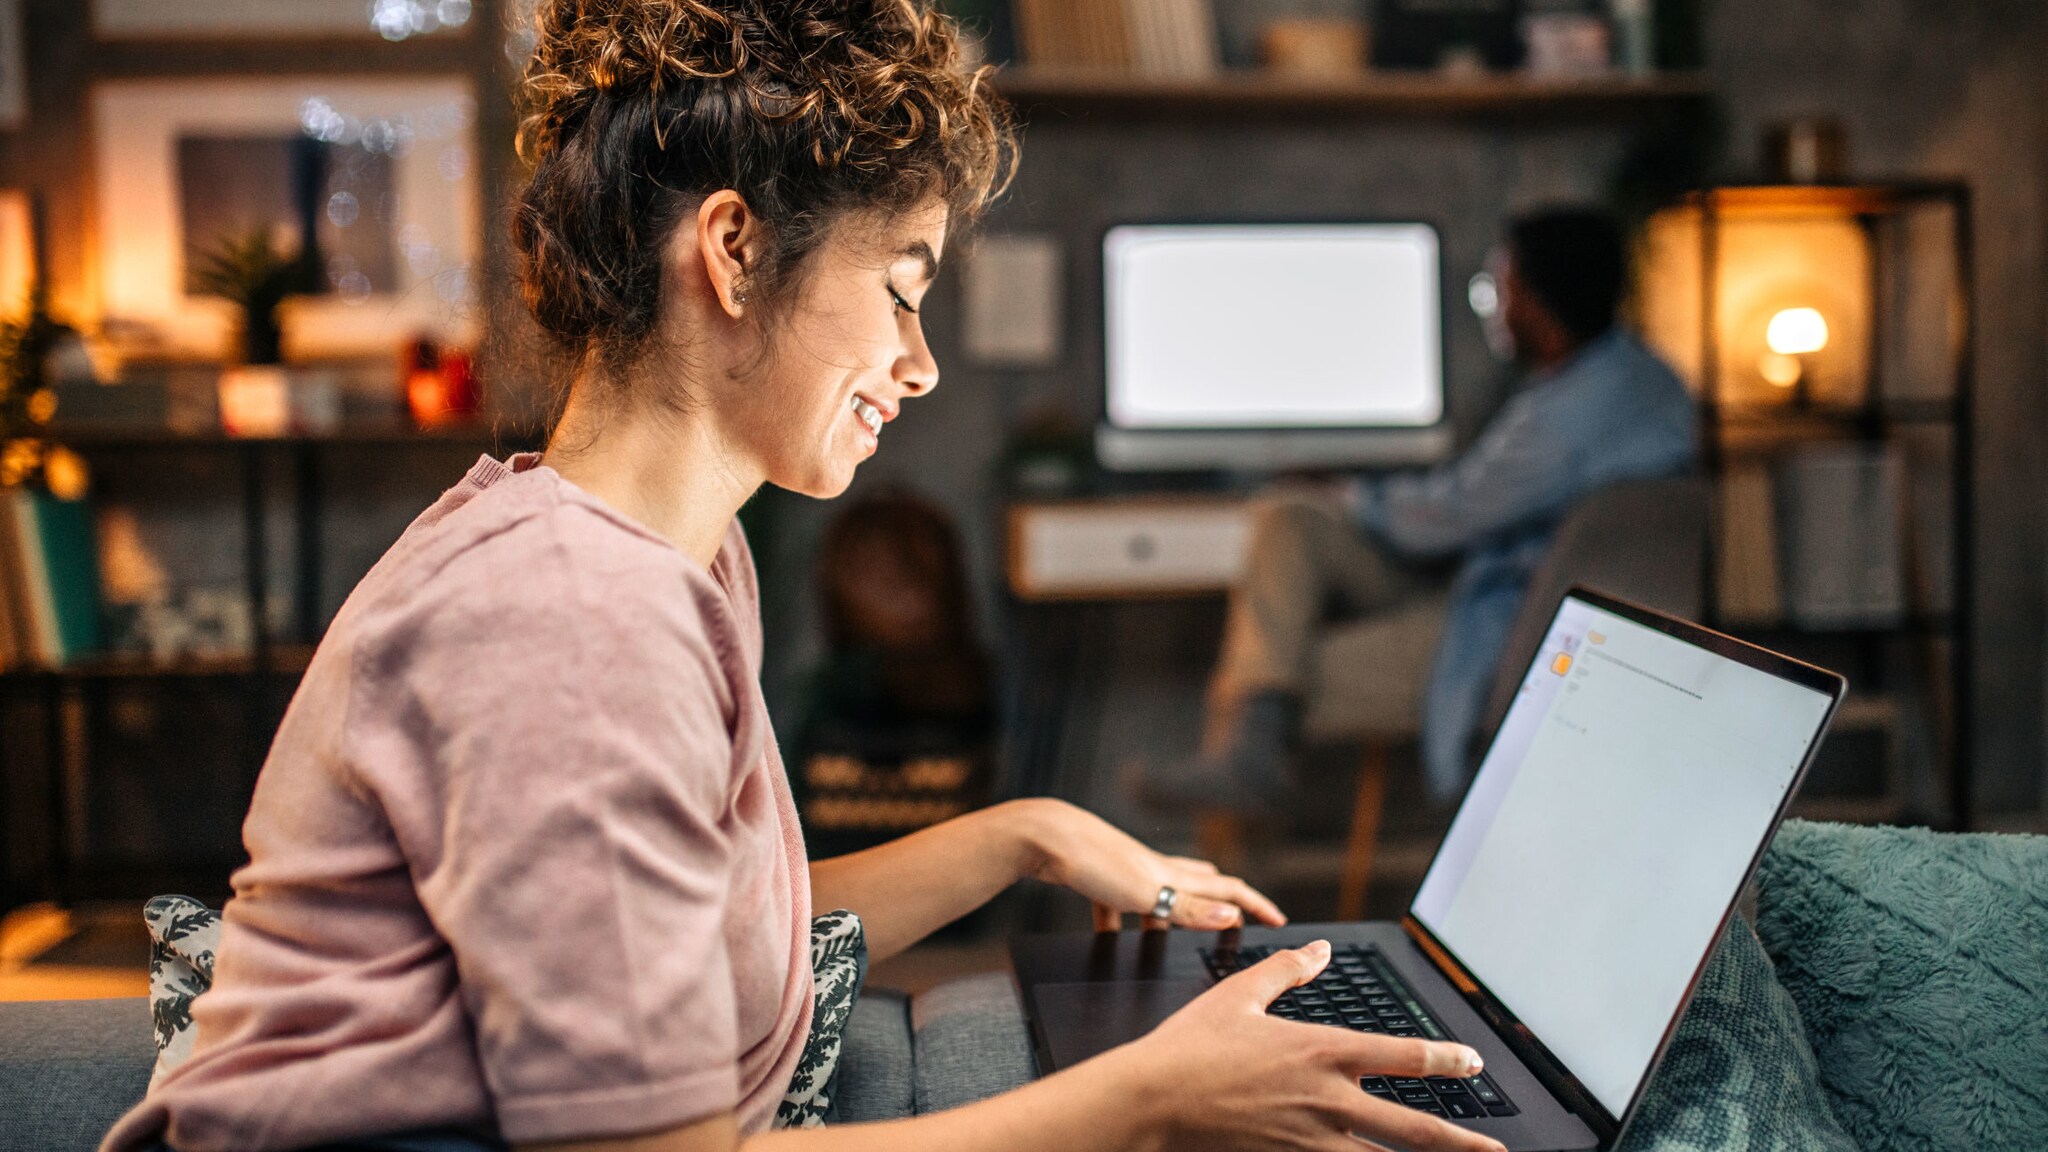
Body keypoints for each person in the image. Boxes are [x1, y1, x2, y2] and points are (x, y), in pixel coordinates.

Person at [102, 2, 1505, 1151]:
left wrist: (1026, 833)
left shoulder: (663, 555)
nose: (922, 359)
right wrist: (1148, 1097)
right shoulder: (573, 621)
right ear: (731, 250)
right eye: (901, 283)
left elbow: (691, 927)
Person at [1167, 208, 1697, 812]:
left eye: (1499, 285)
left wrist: (1353, 494)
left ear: (1535, 296)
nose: (1494, 305)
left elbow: (1450, 517)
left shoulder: (1568, 417)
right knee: (1289, 519)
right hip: (1505, 588)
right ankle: (1249, 755)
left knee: (1258, 680)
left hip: (1509, 625)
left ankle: (1221, 859)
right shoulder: (1643, 380)